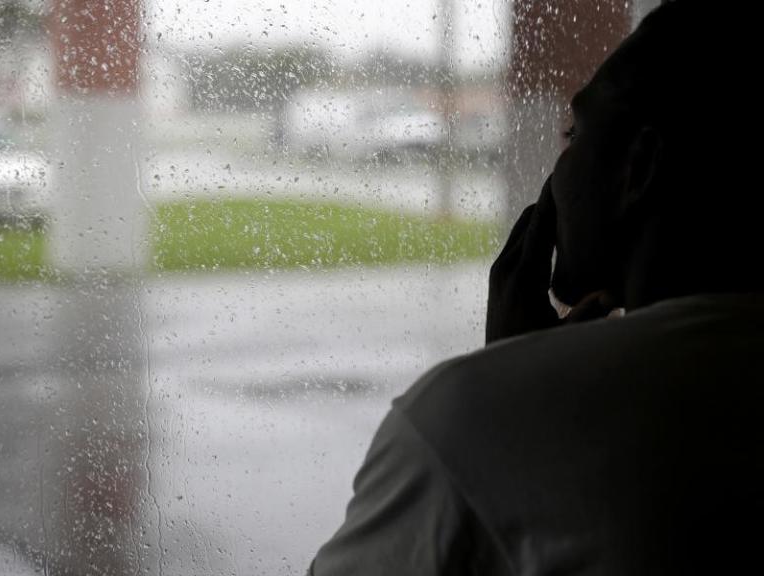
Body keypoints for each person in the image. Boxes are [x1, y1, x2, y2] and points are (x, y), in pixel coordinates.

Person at [309, 1, 762, 574]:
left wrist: (506, 381)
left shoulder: (466, 418)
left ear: (639, 166)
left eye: (574, 133)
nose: (556, 168)